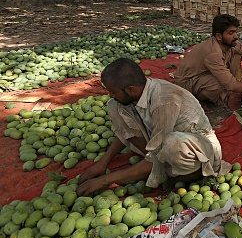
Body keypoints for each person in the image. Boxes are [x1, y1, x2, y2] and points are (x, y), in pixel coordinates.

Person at [76, 58, 231, 196]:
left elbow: (160, 150)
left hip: (199, 148)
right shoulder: (136, 95)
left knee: (172, 143)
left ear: (130, 89)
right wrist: (103, 162)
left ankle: (189, 174)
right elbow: (125, 132)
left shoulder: (164, 100)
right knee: (114, 106)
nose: (110, 95)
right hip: (160, 142)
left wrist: (104, 181)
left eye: (113, 92)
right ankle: (151, 168)